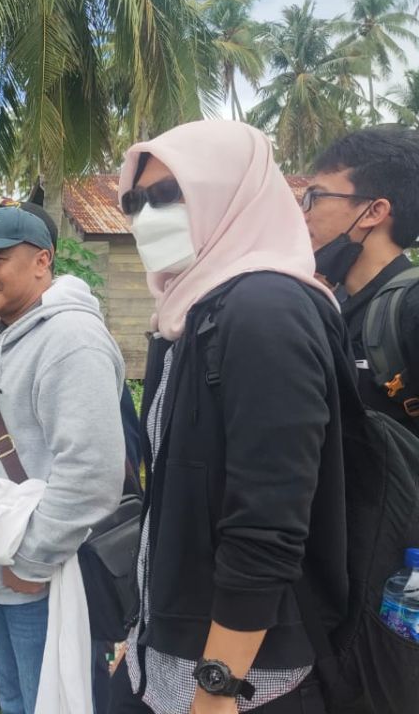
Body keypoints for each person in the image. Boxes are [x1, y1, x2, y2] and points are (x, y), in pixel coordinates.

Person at [110, 120, 347, 713]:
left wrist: (218, 688)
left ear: (230, 196)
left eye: (168, 196)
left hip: (248, 674)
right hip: (170, 650)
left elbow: (268, 520)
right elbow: (176, 497)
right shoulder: (191, 313)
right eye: (135, 202)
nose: (146, 217)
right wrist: (140, 632)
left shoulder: (266, 309)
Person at [0, 205, 126, 714]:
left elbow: (91, 473)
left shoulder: (69, 341)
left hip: (42, 573)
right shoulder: (10, 332)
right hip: (6, 559)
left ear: (42, 261)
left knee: (51, 701)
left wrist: (32, 560)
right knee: (18, 697)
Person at [304, 125, 419, 432]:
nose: (305, 212)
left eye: (316, 196)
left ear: (373, 211)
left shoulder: (411, 307)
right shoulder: (333, 302)